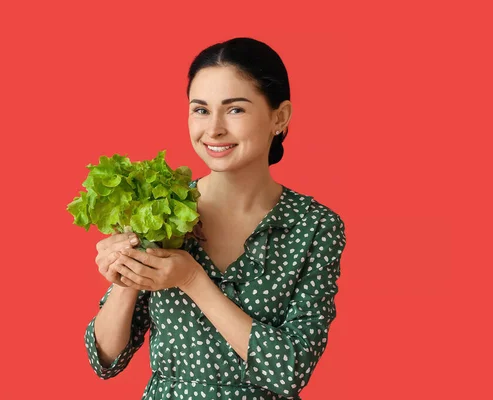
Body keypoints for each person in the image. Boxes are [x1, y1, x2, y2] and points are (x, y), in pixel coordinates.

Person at [84, 37, 348, 399]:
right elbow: (106, 360)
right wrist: (127, 273)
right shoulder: (163, 207)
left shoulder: (314, 226)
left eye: (235, 109)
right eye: (201, 109)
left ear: (279, 117)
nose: (214, 129)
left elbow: (289, 369)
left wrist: (192, 278)